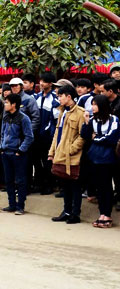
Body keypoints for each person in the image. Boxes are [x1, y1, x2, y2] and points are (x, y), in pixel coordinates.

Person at [80, 94, 119, 228]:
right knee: (99, 187)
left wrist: (96, 138)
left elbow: (111, 138)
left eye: (95, 104)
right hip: (94, 157)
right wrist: (86, 122)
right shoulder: (92, 120)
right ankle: (102, 213)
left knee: (106, 186)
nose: (92, 107)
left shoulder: (113, 119)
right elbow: (85, 135)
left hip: (107, 159)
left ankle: (107, 215)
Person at [49, 84, 85, 224]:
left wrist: (71, 149)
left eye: (60, 96)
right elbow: (57, 133)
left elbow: (82, 136)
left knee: (74, 185)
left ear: (68, 97)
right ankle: (67, 211)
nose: (58, 98)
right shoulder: (62, 112)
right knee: (65, 184)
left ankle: (75, 214)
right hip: (60, 153)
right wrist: (52, 152)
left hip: (73, 155)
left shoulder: (80, 113)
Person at [0, 93, 34, 215]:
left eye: (7, 102)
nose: (5, 104)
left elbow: (29, 137)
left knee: (20, 180)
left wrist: (20, 150)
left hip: (18, 154)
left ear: (14, 104)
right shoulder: (5, 117)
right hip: (6, 152)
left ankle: (20, 206)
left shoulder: (24, 118)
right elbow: (2, 133)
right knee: (8, 180)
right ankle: (11, 204)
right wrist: (1, 147)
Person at [32, 73, 60, 195]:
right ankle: (39, 183)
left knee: (47, 160)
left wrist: (47, 131)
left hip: (48, 136)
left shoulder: (55, 98)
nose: (41, 83)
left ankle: (49, 185)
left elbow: (55, 119)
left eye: (44, 81)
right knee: (36, 161)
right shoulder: (37, 97)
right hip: (36, 134)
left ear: (51, 84)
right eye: (41, 80)